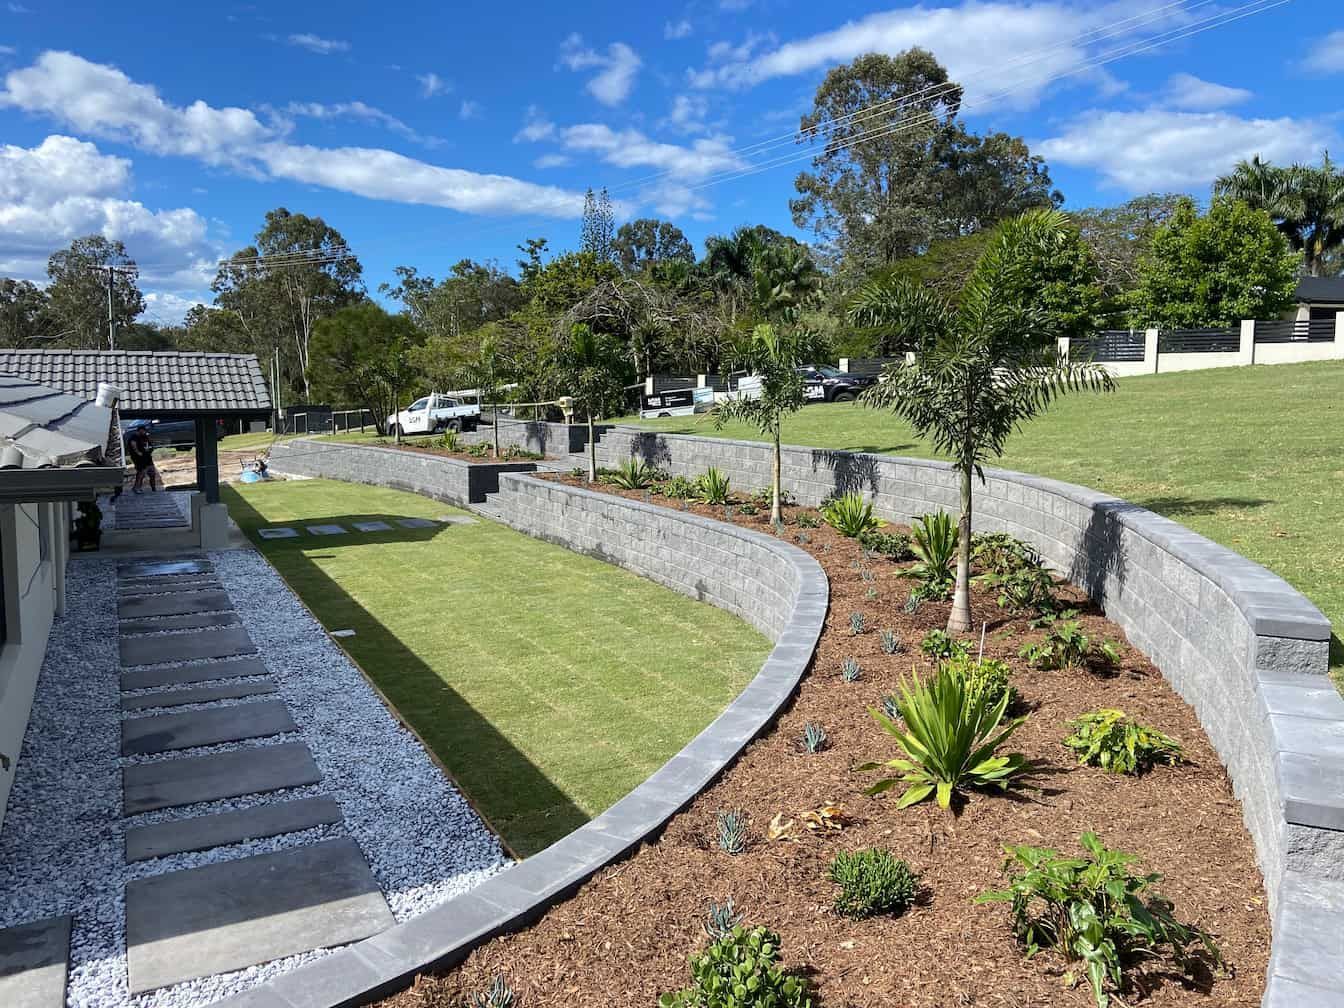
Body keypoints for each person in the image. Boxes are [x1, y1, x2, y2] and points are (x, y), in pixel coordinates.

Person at [126, 425, 159, 493]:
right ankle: (137, 488)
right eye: (143, 431)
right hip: (138, 458)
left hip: (147, 457)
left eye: (145, 431)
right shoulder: (134, 437)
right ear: (140, 430)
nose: (144, 432)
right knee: (141, 473)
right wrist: (138, 452)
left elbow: (150, 445)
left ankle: (153, 488)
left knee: (152, 472)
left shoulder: (145, 437)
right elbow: (133, 445)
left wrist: (150, 449)